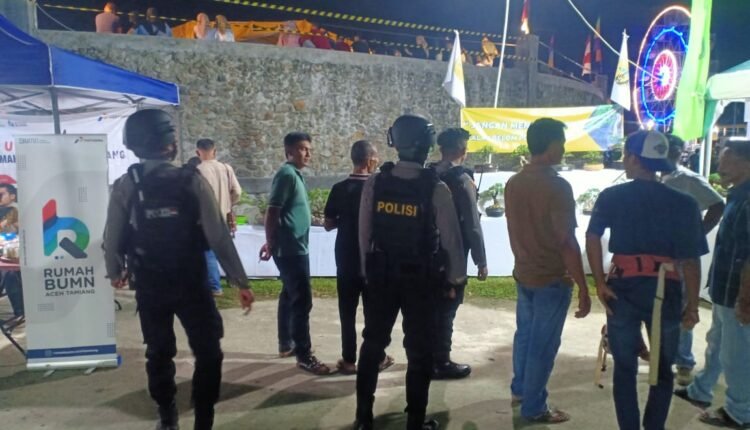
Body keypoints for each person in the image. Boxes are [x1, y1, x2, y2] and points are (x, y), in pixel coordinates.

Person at [104, 109, 254, 430]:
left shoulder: (125, 185)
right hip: (192, 283)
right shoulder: (191, 180)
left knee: (158, 352)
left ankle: (167, 416)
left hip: (150, 284)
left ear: (133, 145)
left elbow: (112, 237)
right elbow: (218, 236)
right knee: (208, 352)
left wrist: (115, 271)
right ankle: (203, 419)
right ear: (170, 143)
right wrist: (240, 281)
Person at [586, 130, 707, 430]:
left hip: (622, 288)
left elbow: (592, 236)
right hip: (666, 290)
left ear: (634, 159)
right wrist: (692, 305)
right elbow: (690, 261)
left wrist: (599, 282)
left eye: (626, 155)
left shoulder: (613, 196)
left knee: (625, 369)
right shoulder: (684, 203)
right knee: (662, 370)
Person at [355, 114, 466, 430]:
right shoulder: (436, 187)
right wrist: (455, 279)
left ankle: (363, 418)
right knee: (419, 351)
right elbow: (452, 241)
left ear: (396, 142)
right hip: (421, 281)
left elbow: (365, 234)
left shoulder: (376, 182)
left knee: (372, 344)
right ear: (427, 144)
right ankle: (415, 421)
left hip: (381, 277)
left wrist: (368, 272)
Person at [504, 118, 591, 424]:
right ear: (552, 145)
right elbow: (566, 240)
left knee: (526, 336)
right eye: (562, 143)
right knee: (543, 344)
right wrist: (583, 286)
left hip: (524, 272)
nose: (564, 149)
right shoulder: (556, 186)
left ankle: (520, 390)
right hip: (551, 277)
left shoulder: (514, 182)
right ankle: (535, 406)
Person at [675, 140, 750, 429]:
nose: (720, 166)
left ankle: (740, 412)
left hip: (736, 293)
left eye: (726, 160)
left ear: (746, 163)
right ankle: (701, 390)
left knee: (736, 354)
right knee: (717, 343)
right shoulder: (737, 195)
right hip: (723, 289)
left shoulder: (747, 201)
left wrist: (745, 299)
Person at [259, 132, 330, 375]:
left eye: (309, 149)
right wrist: (270, 241)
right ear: (289, 151)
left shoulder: (294, 175)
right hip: (291, 249)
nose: (307, 153)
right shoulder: (287, 174)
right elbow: (272, 211)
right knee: (302, 301)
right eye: (302, 149)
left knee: (289, 294)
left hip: (295, 246)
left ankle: (286, 344)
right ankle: (304, 355)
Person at [323, 140, 394, 375]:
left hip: (345, 258)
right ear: (370, 160)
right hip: (372, 259)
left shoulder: (339, 189)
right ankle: (377, 357)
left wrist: (346, 221)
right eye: (376, 158)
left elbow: (328, 223)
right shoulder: (380, 189)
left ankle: (348, 359)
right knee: (373, 312)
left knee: (347, 311)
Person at [662, 134, 725, 387]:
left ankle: (684, 361)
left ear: (679, 153)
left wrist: (698, 233)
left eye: (673, 150)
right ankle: (664, 356)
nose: (669, 155)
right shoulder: (654, 178)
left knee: (684, 305)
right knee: (662, 304)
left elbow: (717, 204)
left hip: (682, 254)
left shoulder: (688, 179)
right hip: (657, 253)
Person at [428, 128, 488, 379]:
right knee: (447, 308)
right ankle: (441, 362)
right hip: (453, 253)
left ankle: (426, 357)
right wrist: (481, 260)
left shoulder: (427, 174)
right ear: (463, 150)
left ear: (441, 149)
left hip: (426, 252)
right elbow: (472, 224)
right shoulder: (462, 180)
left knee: (430, 308)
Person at [195, 138, 243, 297]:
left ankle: (215, 286)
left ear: (197, 152)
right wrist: (228, 203)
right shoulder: (226, 168)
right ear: (214, 151)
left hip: (206, 217)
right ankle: (234, 279)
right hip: (224, 215)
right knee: (225, 249)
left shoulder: (197, 171)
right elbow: (237, 192)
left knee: (208, 252)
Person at [0, 181, 22, 318]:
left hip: (14, 256)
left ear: (13, 196)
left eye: (1, 194)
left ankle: (20, 312)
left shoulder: (16, 210)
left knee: (9, 275)